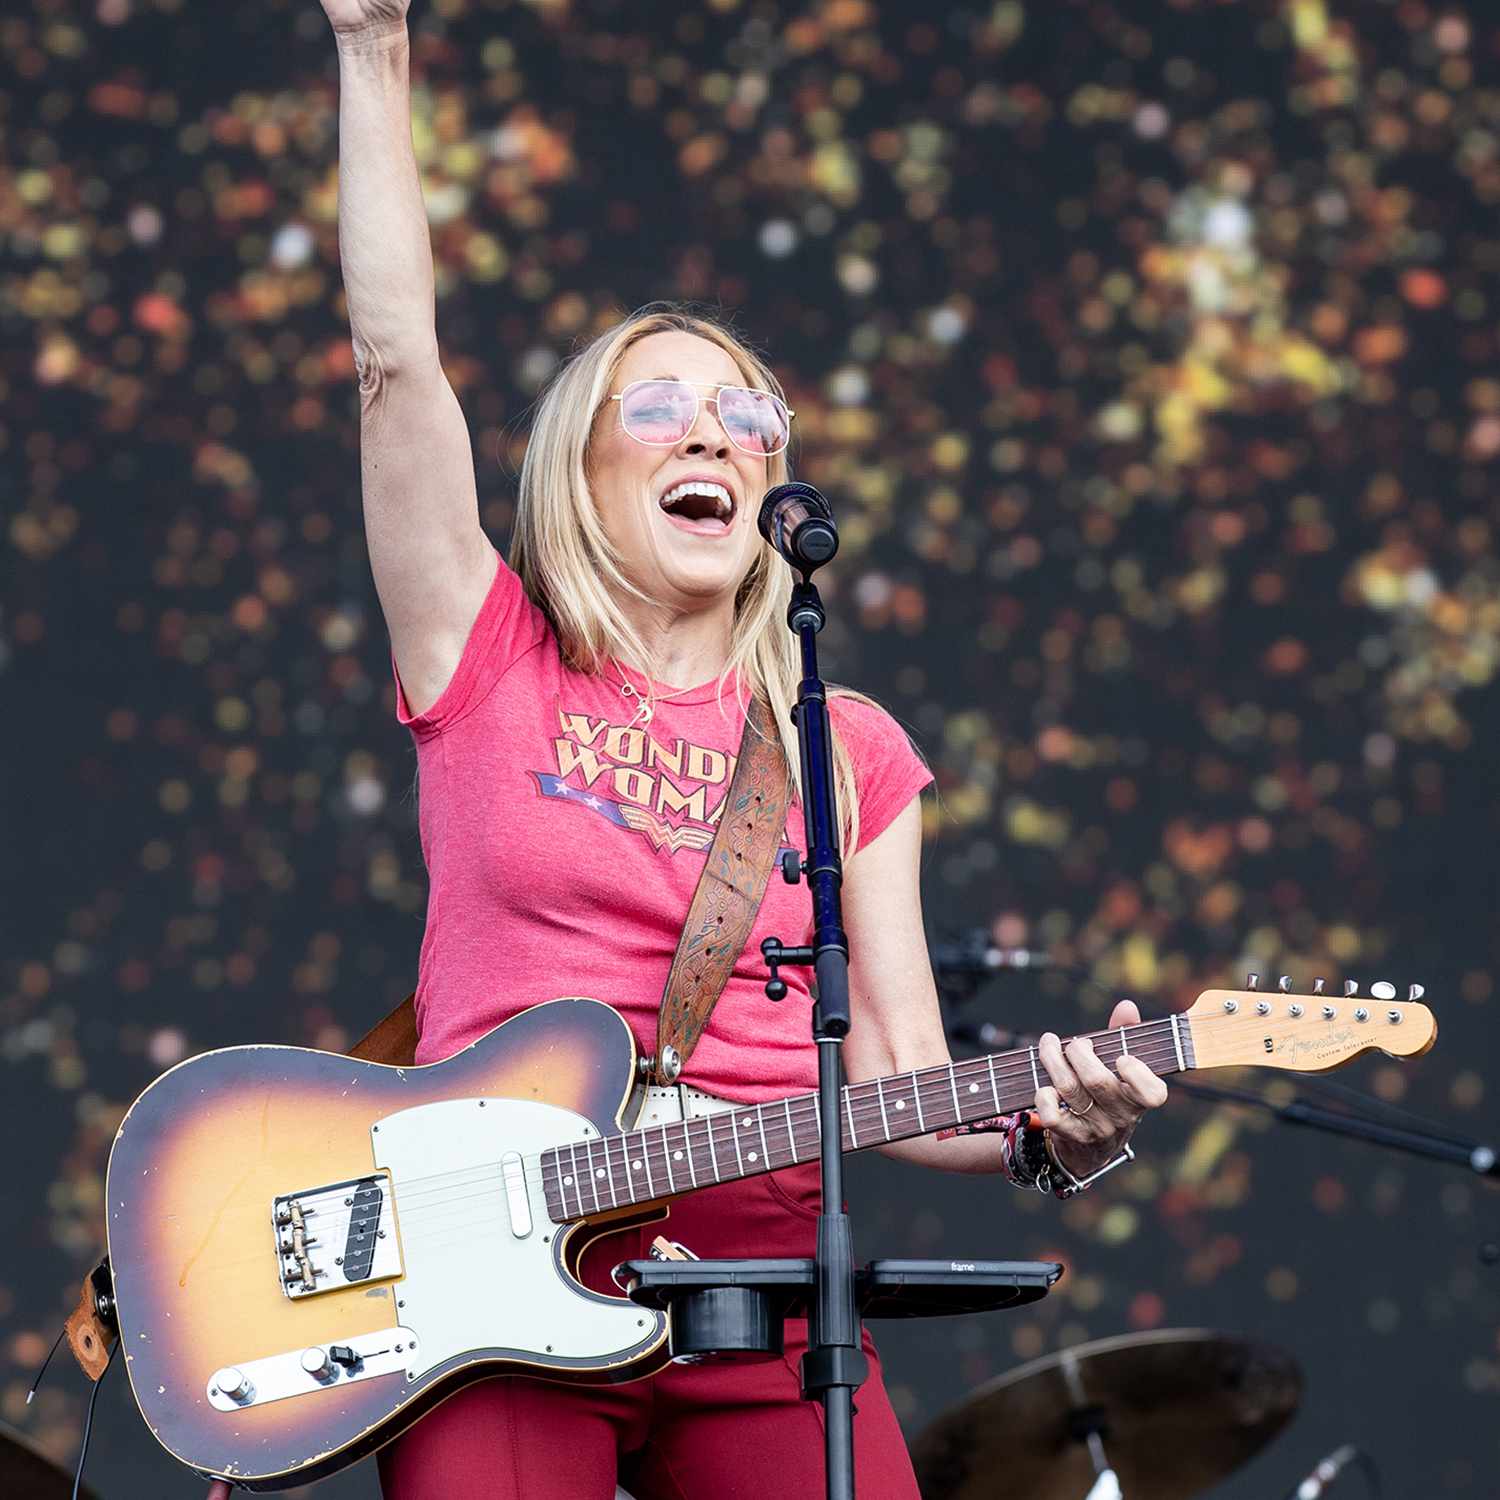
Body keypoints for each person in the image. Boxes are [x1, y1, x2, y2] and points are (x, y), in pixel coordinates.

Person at [323, 3, 1170, 1495]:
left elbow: (908, 1081)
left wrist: (1059, 1134)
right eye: (660, 409)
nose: (712, 436)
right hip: (501, 1302)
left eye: (746, 417)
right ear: (582, 465)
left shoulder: (847, 745)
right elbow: (397, 363)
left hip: (767, 1308)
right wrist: (372, 45)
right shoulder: (488, 648)